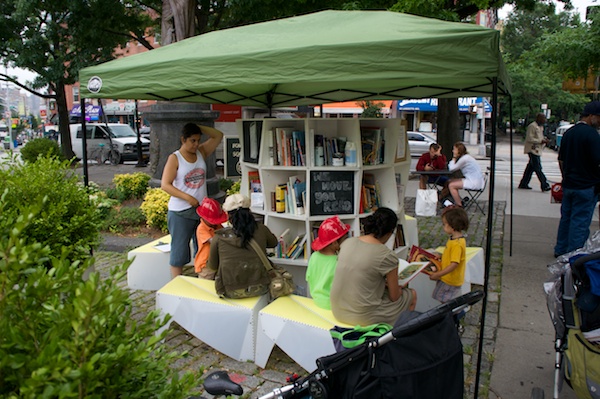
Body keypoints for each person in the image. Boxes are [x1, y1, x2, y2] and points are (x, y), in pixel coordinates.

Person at [330, 207, 417, 325]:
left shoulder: (347, 243)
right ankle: (401, 333)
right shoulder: (387, 255)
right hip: (361, 316)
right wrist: (399, 287)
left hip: (337, 309)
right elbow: (394, 297)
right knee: (411, 295)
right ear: (389, 233)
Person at [161, 123, 224, 278]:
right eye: (192, 141)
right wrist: (187, 197)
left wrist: (199, 127)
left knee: (203, 248)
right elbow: (165, 185)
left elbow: (218, 135)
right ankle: (176, 283)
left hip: (202, 212)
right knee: (179, 250)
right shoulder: (175, 158)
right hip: (180, 212)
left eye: (198, 140)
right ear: (183, 139)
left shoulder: (201, 152)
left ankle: (201, 279)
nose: (196, 144)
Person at [206, 194, 278, 299]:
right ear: (249, 212)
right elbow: (273, 243)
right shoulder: (262, 229)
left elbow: (212, 266)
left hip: (230, 290)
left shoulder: (219, 237)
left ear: (228, 216)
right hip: (260, 287)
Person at [554, 101, 600, 257]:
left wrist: (565, 177)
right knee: (580, 222)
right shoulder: (593, 135)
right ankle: (574, 253)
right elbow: (597, 161)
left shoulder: (569, 133)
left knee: (566, 218)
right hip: (587, 185)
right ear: (591, 116)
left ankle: (560, 249)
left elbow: (561, 159)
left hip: (569, 183)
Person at [306, 216, 351, 310]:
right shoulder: (338, 262)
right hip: (333, 306)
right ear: (334, 243)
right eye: (345, 239)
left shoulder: (314, 256)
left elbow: (309, 278)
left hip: (316, 301)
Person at [429, 206, 469, 304]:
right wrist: (441, 256)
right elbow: (452, 256)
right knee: (442, 297)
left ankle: (451, 316)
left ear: (452, 226)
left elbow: (454, 264)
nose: (443, 227)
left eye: (444, 224)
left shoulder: (457, 244)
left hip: (449, 279)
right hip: (447, 277)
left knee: (444, 300)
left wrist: (438, 274)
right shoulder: (454, 239)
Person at [194, 197, 228, 280]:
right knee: (205, 286)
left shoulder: (217, 225)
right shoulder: (201, 229)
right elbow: (214, 242)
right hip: (205, 264)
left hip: (217, 261)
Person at [442, 142, 484, 208]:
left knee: (451, 185)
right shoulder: (466, 157)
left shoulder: (464, 159)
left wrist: (453, 159)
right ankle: (446, 198)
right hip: (474, 180)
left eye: (454, 149)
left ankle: (459, 205)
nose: (453, 151)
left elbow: (452, 168)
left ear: (458, 150)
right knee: (449, 181)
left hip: (473, 182)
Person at [518, 113, 551, 192]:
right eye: (543, 118)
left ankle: (523, 183)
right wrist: (540, 141)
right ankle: (544, 184)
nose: (544, 120)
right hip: (532, 149)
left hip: (537, 149)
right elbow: (529, 138)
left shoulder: (540, 127)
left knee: (530, 168)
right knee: (538, 167)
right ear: (539, 118)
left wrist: (545, 140)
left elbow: (540, 137)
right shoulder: (532, 126)